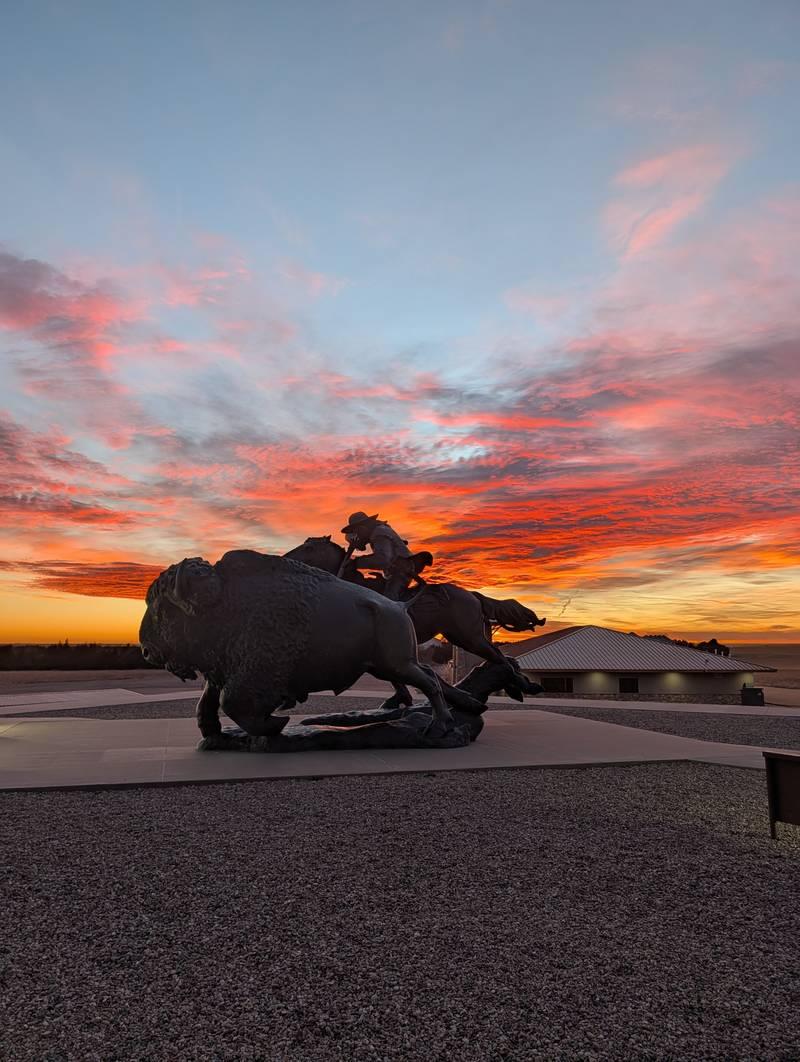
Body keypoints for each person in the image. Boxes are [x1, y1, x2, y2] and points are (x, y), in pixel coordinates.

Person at [340, 511, 418, 600]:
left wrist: (356, 562)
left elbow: (383, 560)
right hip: (396, 571)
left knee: (388, 601)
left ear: (362, 528)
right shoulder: (378, 531)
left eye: (357, 531)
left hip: (402, 571)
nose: (357, 535)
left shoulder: (379, 532)